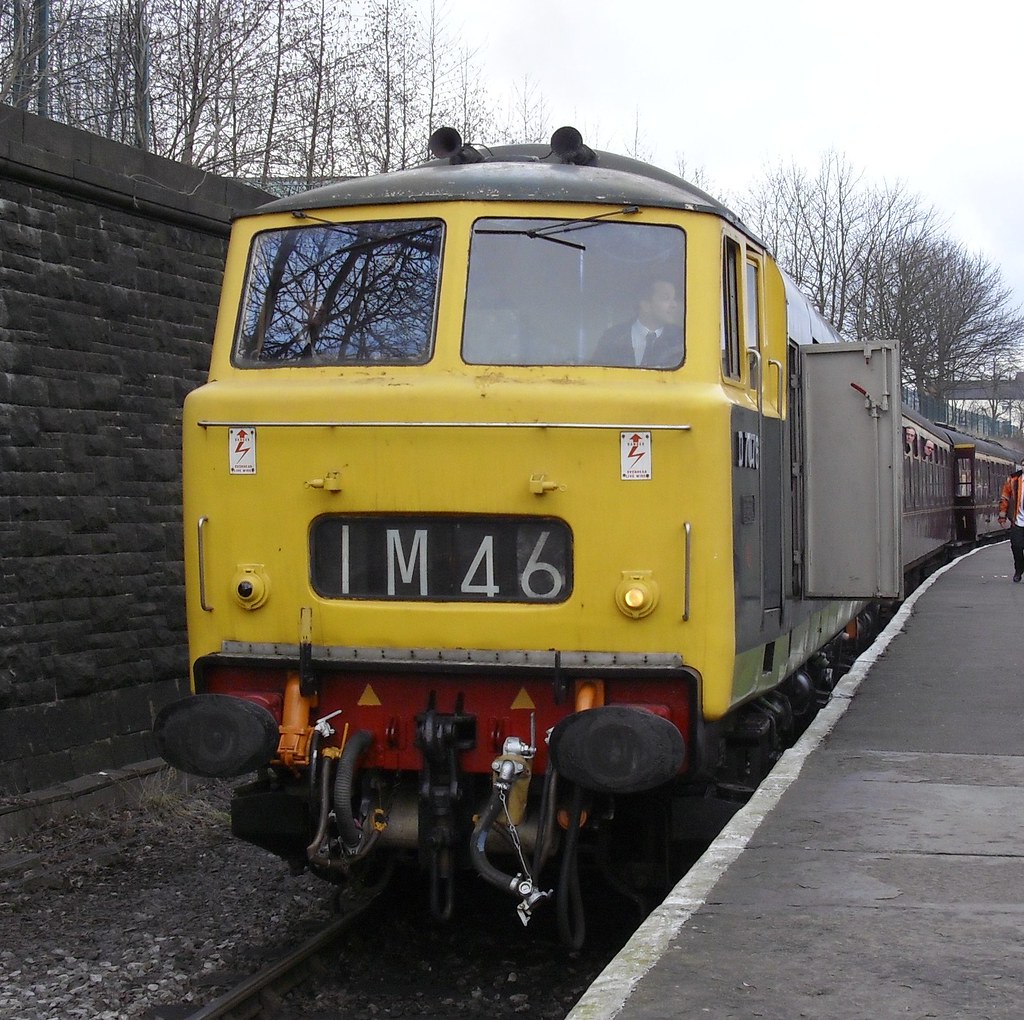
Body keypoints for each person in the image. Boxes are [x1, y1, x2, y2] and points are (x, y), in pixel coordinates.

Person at [593, 279, 683, 368]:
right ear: (645, 305)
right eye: (666, 298)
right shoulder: (612, 337)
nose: (674, 304)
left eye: (675, 298)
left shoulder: (681, 339)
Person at [997, 460, 1024, 581]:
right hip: (1018, 520)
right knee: (1016, 546)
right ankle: (1018, 569)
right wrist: (1002, 516)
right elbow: (1005, 498)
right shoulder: (1013, 480)